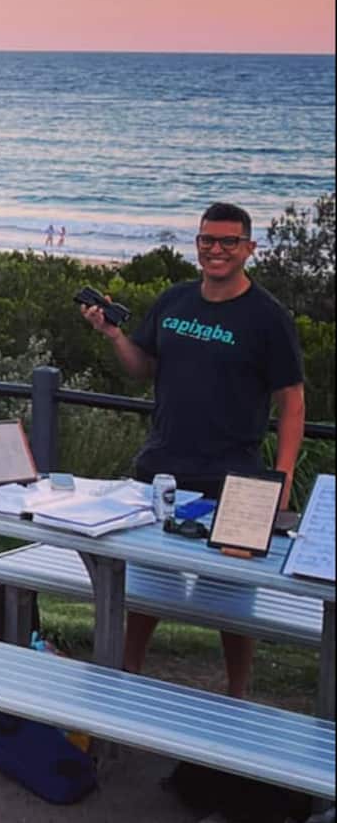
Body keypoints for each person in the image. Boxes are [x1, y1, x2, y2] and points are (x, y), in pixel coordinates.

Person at [81, 201, 304, 698]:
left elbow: (292, 403)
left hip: (234, 478)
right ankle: (125, 680)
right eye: (207, 240)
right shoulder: (175, 301)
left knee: (229, 601)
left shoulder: (268, 318)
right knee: (145, 592)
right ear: (197, 244)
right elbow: (142, 368)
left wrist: (283, 479)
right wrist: (113, 334)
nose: (216, 250)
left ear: (250, 248)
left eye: (229, 241)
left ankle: (236, 696)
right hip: (161, 471)